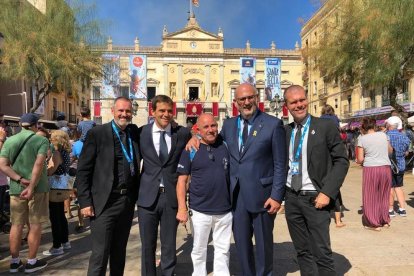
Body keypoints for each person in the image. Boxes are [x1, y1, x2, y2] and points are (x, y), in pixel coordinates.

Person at [187, 83, 287, 275]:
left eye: (250, 97)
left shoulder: (273, 124)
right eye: (242, 99)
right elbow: (212, 138)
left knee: (264, 244)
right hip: (236, 196)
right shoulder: (229, 124)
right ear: (236, 102)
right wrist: (194, 136)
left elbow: (281, 164)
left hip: (263, 196)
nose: (247, 102)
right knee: (241, 243)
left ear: (256, 98)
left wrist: (277, 196)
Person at [283, 85, 349, 275]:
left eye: (302, 100)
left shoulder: (325, 126)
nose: (299, 104)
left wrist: (327, 192)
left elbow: (342, 161)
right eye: (294, 102)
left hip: (316, 199)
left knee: (321, 252)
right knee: (302, 251)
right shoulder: (285, 131)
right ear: (287, 105)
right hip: (292, 198)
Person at [76, 97, 140, 276]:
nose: (124, 114)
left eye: (128, 111)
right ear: (113, 111)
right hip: (103, 203)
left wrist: (192, 138)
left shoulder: (133, 132)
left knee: (119, 252)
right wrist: (85, 202)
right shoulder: (97, 134)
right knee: (100, 254)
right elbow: (83, 171)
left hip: (126, 202)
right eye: (121, 110)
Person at [137, 95, 191, 276]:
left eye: (169, 111)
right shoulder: (141, 133)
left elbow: (197, 137)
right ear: (153, 112)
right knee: (147, 245)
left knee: (169, 245)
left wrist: (195, 137)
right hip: (147, 197)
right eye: (162, 111)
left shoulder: (181, 133)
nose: (166, 114)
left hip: (171, 197)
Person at [176, 113, 232, 276]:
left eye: (213, 125)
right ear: (198, 129)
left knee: (223, 249)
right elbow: (181, 181)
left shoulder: (226, 145)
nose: (210, 130)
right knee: (199, 250)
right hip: (200, 210)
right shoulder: (190, 149)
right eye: (206, 127)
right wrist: (182, 208)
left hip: (225, 210)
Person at [0, 113, 49, 273]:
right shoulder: (41, 140)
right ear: (36, 124)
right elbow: (39, 163)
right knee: (35, 224)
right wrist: (31, 185)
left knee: (16, 224)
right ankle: (32, 262)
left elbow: (3, 165)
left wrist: (19, 179)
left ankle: (14, 262)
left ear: (21, 125)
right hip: (38, 188)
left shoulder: (10, 140)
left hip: (16, 189)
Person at [356, 118, 392, 230]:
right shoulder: (383, 135)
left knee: (371, 195)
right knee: (383, 194)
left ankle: (373, 223)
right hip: (385, 167)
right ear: (374, 125)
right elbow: (390, 150)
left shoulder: (362, 139)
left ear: (363, 127)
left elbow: (360, 159)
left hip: (371, 168)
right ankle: (384, 220)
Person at [43, 130, 72, 256]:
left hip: (55, 187)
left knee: (55, 217)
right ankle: (65, 242)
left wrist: (44, 168)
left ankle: (57, 246)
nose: (50, 140)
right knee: (61, 215)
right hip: (63, 187)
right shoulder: (66, 153)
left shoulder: (57, 153)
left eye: (52, 138)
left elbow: (51, 171)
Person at [320, 105, 347, 227]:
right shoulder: (335, 119)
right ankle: (338, 220)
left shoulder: (319, 120)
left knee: (322, 183)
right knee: (334, 187)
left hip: (322, 157)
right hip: (334, 155)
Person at [386, 116, 410, 217]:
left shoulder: (385, 136)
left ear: (389, 125)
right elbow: (407, 152)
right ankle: (402, 209)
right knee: (399, 187)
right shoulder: (404, 136)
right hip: (400, 165)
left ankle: (390, 210)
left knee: (390, 187)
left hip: (389, 165)